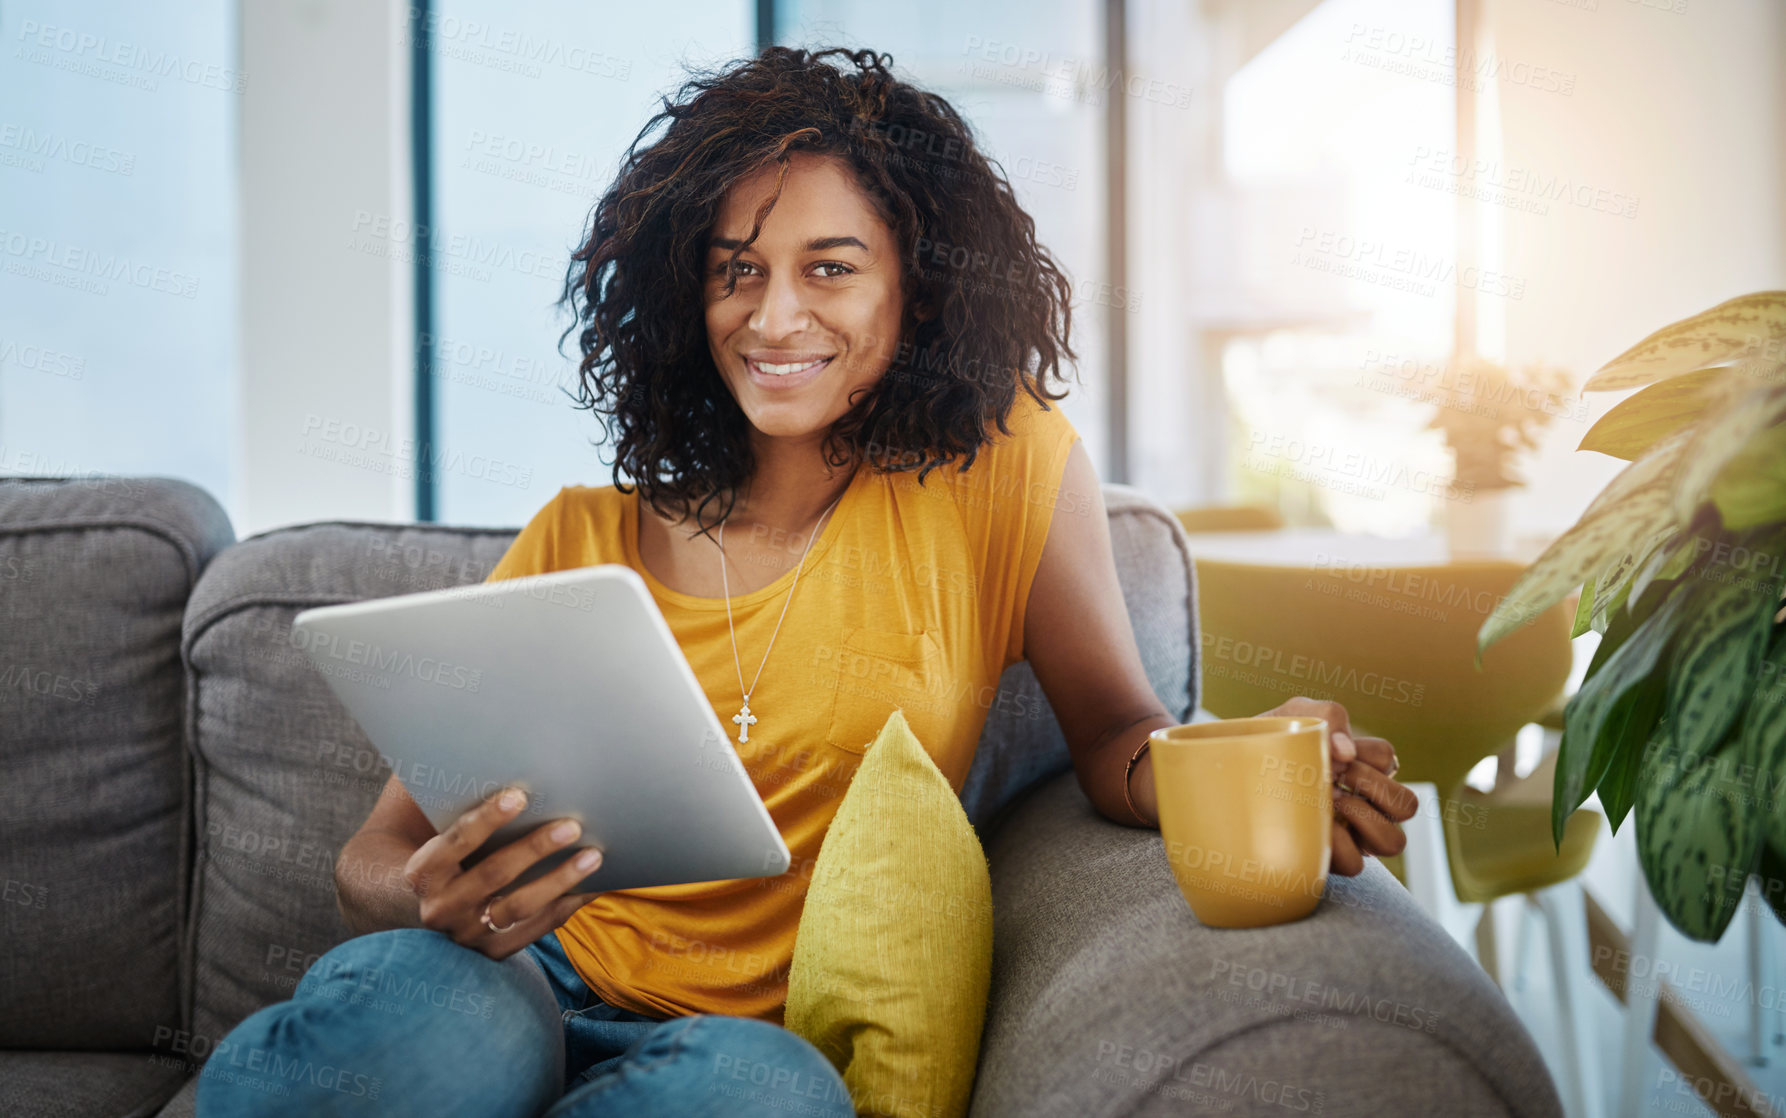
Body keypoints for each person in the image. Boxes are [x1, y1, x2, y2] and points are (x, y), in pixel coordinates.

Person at [197, 45, 1417, 1117]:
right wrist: (421, 898)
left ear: (916, 286)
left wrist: (1259, 759)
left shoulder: (998, 466)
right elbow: (374, 854)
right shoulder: (576, 536)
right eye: (737, 269)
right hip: (504, 976)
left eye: (829, 268)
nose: (774, 315)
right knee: (430, 1030)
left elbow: (1118, 732)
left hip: (727, 1047)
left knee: (772, 1096)